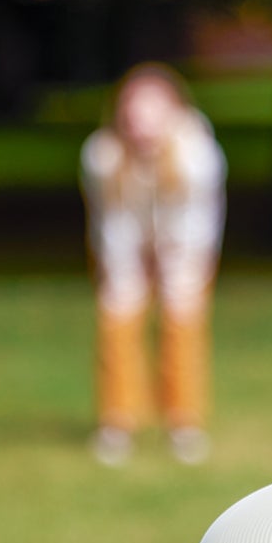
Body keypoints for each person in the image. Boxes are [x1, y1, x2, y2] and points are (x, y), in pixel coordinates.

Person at [80, 63, 227, 466]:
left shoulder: (198, 155)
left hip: (185, 248)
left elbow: (198, 222)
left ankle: (184, 423)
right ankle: (117, 422)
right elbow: (111, 221)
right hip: (124, 246)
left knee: (182, 323)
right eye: (133, 112)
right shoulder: (102, 155)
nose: (141, 123)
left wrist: (174, 265)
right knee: (117, 319)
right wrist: (127, 270)